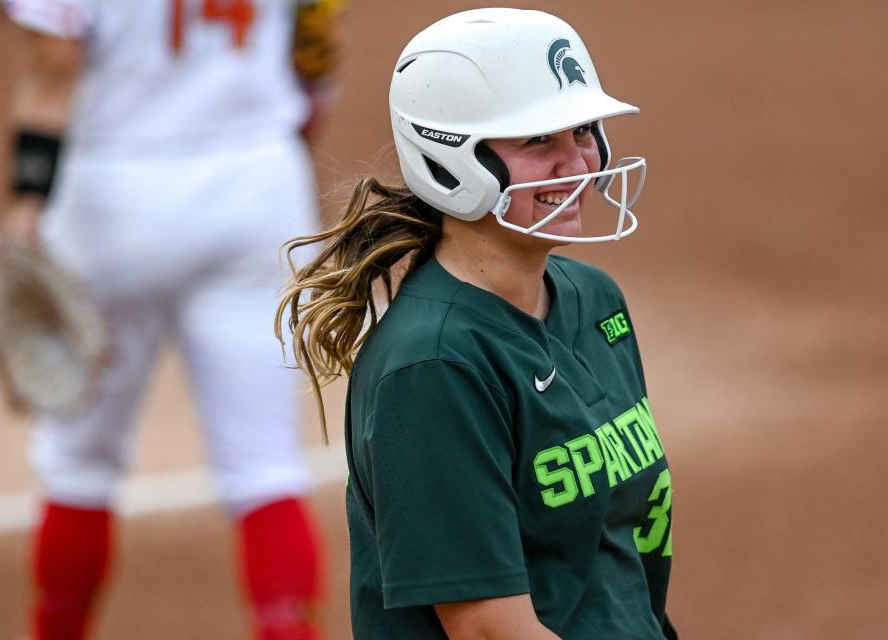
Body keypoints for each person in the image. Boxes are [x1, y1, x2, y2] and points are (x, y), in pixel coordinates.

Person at [278, 8, 678, 640]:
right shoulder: (434, 368)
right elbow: (491, 631)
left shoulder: (593, 299)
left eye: (584, 131)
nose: (578, 164)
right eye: (539, 141)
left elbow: (617, 563)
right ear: (450, 159)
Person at [0, 0, 344, 638]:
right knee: (265, 467)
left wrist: (23, 211)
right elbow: (315, 59)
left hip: (109, 206)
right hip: (257, 188)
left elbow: (49, 74)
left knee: (78, 463)